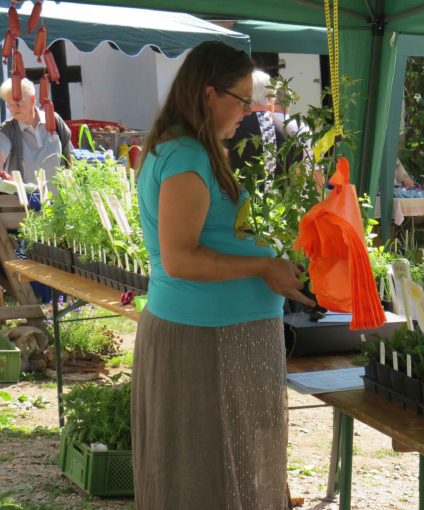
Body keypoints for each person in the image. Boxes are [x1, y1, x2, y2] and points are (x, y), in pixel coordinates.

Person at [133, 41, 314, 509]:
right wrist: (263, 265)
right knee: (202, 475)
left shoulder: (189, 149)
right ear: (209, 93)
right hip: (206, 337)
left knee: (221, 469)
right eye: (241, 98)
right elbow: (181, 258)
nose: (248, 111)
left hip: (219, 332)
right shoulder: (188, 157)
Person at [0, 77, 72, 182]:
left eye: (18, 102)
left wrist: (73, 179)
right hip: (28, 197)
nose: (14, 108)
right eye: (9, 104)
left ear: (33, 100)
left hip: (60, 196)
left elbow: (69, 154)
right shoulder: (7, 130)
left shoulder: (53, 119)